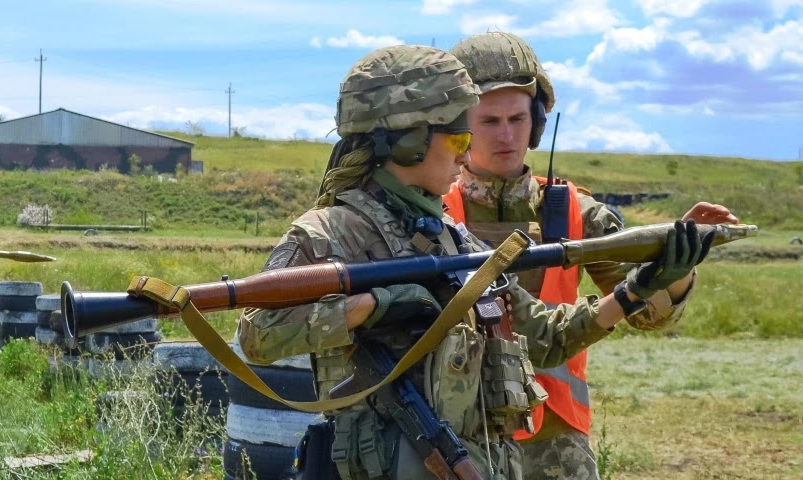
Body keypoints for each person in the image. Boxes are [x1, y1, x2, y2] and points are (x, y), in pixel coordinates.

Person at [237, 44, 715, 480]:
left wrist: (640, 289)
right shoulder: (331, 231)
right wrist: (372, 305)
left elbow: (544, 337)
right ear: (408, 143)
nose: (469, 155)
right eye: (461, 140)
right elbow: (257, 334)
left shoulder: (452, 238)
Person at [445, 32, 738, 479]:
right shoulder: (431, 214)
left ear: (538, 122)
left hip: (555, 441)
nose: (506, 135)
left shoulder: (579, 214)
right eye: (488, 121)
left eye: (518, 119)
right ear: (457, 127)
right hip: (454, 437)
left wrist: (674, 268)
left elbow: (649, 317)